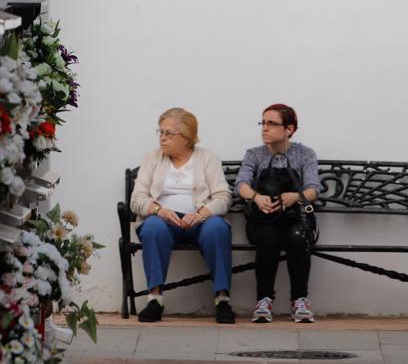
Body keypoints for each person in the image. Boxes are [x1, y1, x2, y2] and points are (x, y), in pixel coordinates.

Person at [129, 107, 235, 323]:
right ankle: (155, 299)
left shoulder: (207, 158)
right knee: (152, 227)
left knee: (217, 227)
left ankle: (222, 298)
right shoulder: (153, 158)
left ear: (187, 138)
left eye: (169, 133)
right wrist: (159, 211)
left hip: (200, 221)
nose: (162, 138)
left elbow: (223, 196)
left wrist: (202, 213)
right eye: (160, 132)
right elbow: (137, 199)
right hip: (165, 221)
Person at [236, 103, 319, 323]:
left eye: (272, 124)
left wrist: (295, 197)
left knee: (297, 237)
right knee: (269, 238)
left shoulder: (304, 154)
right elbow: (241, 184)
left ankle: (299, 300)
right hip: (264, 218)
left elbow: (313, 188)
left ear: (289, 129)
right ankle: (264, 300)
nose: (265, 128)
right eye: (263, 123)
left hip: (295, 218)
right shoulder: (254, 154)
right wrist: (256, 198)